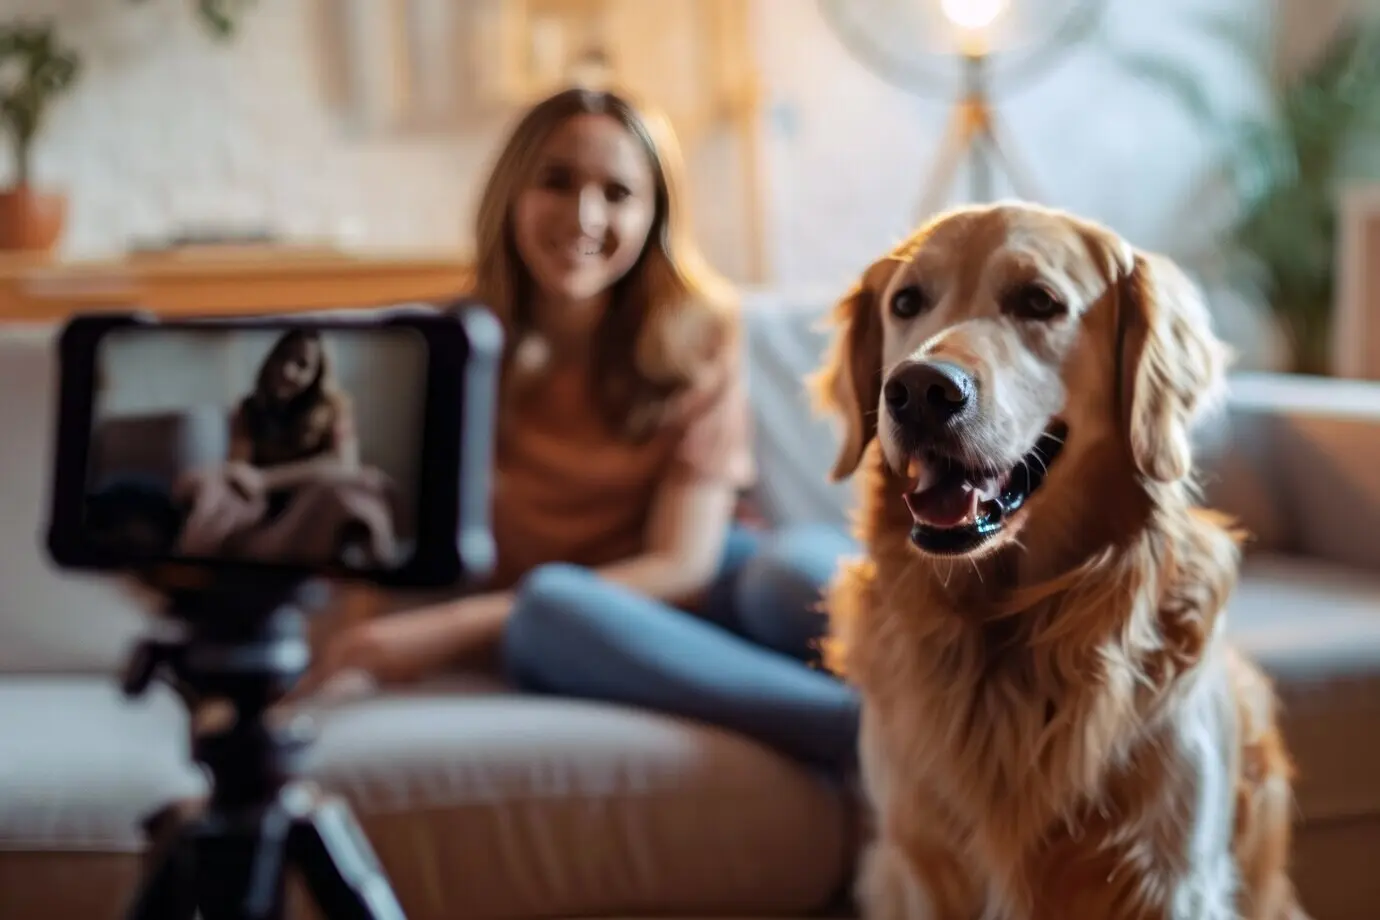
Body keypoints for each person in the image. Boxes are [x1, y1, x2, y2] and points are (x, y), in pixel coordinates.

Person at [301, 86, 862, 776]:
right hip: (586, 629)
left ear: (654, 216)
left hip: (717, 579)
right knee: (550, 607)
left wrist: (445, 631)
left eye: (618, 192)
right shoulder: (445, 350)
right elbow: (373, 550)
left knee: (789, 570)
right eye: (557, 182)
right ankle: (869, 736)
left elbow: (683, 562)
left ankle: (980, 699)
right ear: (511, 194)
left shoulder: (700, 331)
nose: (584, 215)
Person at [174, 329, 400, 567]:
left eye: (302, 365)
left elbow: (345, 464)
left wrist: (267, 479)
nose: (287, 370)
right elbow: (240, 470)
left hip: (311, 498)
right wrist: (254, 483)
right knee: (212, 484)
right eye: (283, 357)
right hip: (264, 510)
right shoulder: (249, 408)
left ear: (317, 374)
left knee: (364, 483)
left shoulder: (335, 407)